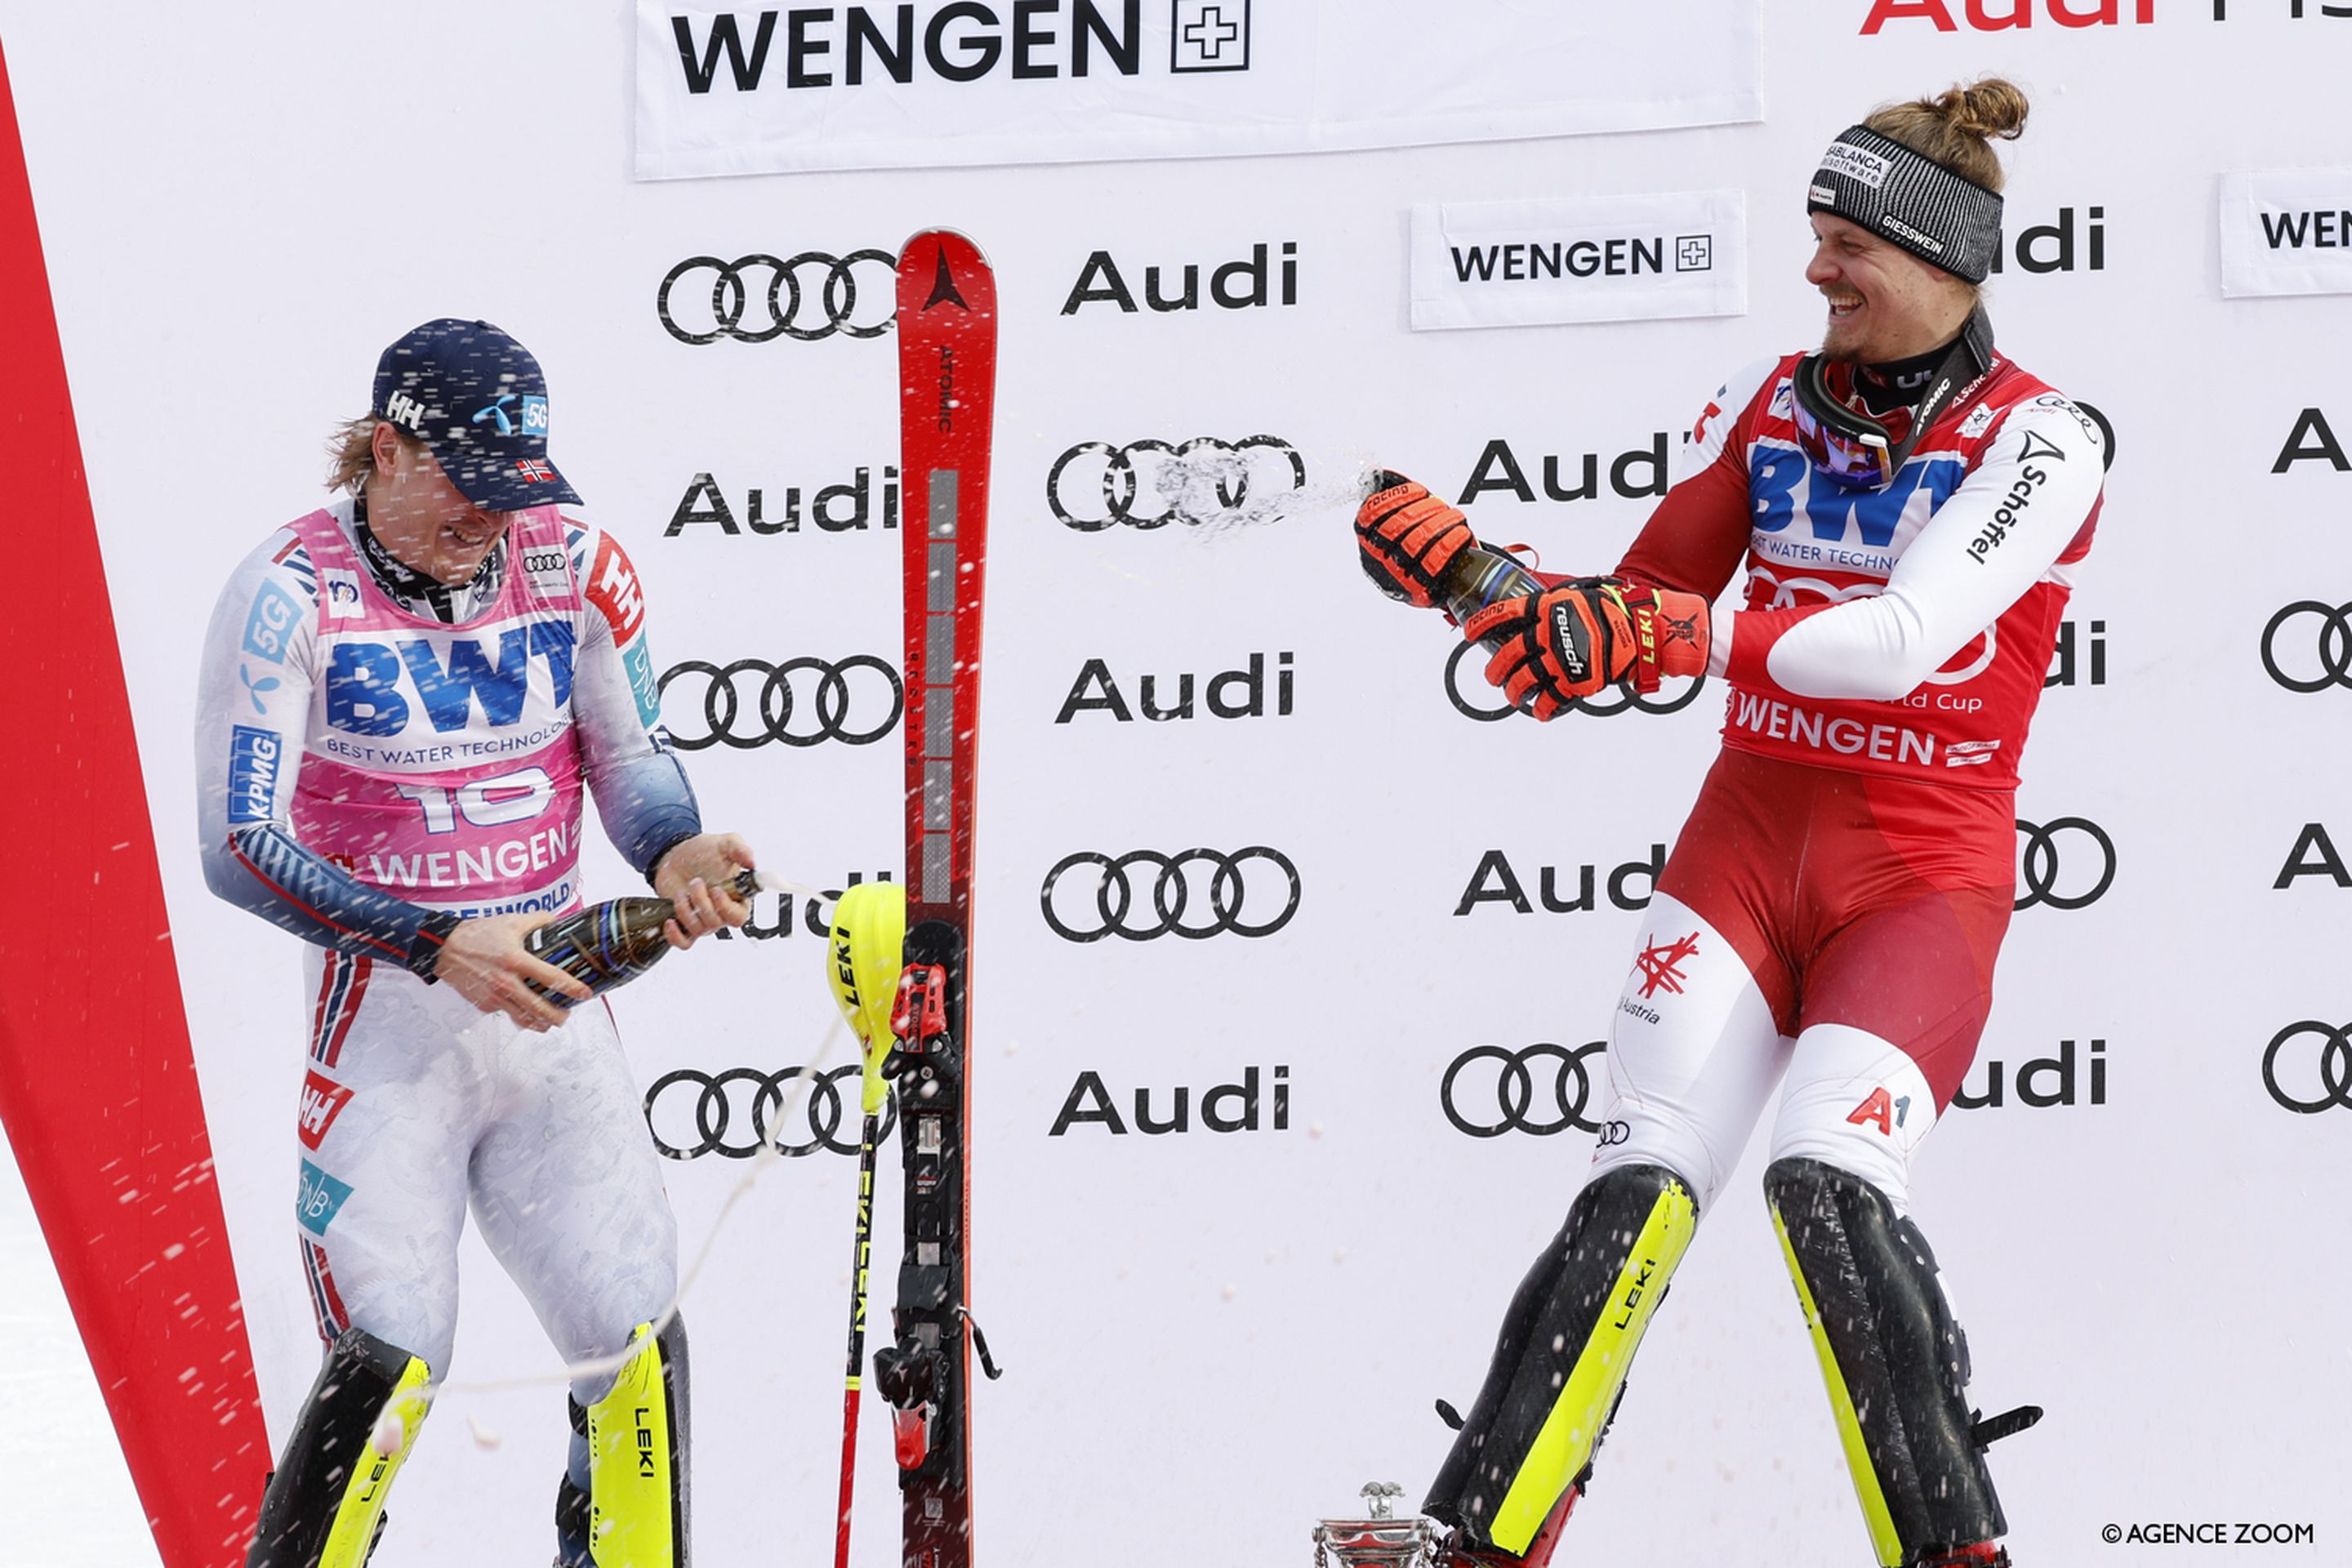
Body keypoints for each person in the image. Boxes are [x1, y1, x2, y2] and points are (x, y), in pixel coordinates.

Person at [1356, 80, 2100, 1568]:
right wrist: (1494, 592)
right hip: (1743, 858)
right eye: (1815, 235)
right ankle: (1476, 1541)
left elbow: (1898, 641)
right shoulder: (1761, 401)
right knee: (1629, 1194)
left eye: (1847, 246)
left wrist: (1666, 638)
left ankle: (1958, 1550)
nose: (1818, 268)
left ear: (1944, 263)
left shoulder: (2043, 440)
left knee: (1828, 1186)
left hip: (1917, 878)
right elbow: (1639, 606)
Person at [197, 318, 754, 1568]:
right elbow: (236, 844)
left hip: (553, 1037)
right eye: (467, 488)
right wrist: (436, 939)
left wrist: (678, 853)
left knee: (632, 1347)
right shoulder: (288, 593)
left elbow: (628, 755)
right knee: (393, 1364)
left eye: (517, 493)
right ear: (384, 450)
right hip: (391, 1043)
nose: (492, 523)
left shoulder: (574, 562)